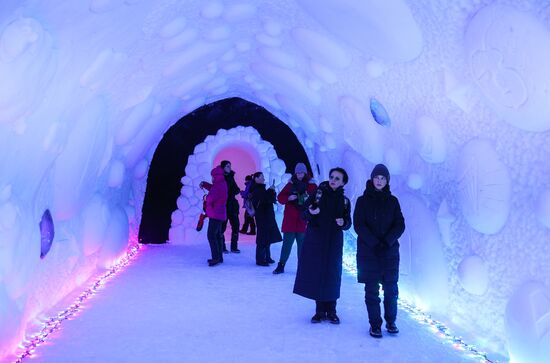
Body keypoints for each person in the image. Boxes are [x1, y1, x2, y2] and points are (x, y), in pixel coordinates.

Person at [293, 167, 351, 324]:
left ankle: (331, 310)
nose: (333, 180)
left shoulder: (345, 201)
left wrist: (344, 222)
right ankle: (319, 311)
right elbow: (303, 213)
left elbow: (348, 223)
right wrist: (311, 213)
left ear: (343, 182)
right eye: (332, 176)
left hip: (334, 242)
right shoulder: (318, 194)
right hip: (316, 240)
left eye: (337, 178)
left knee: (332, 274)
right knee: (317, 272)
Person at [353, 164, 405, 338]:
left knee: (391, 289)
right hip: (369, 252)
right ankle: (375, 324)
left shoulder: (393, 201)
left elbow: (400, 224)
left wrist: (387, 242)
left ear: (387, 181)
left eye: (383, 178)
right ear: (372, 179)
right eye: (377, 177)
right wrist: (375, 243)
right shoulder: (362, 200)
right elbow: (359, 225)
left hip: (389, 253)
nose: (380, 181)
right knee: (372, 290)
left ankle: (391, 321)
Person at [273, 163, 317, 274]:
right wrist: (288, 197)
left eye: (301, 172)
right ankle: (281, 265)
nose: (299, 175)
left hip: (303, 220)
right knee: (286, 245)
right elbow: (280, 198)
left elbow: (317, 199)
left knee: (302, 247)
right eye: (297, 173)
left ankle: (302, 268)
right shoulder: (290, 184)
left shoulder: (312, 186)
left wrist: (309, 200)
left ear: (305, 173)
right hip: (290, 221)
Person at [249, 172, 282, 266]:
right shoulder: (257, 189)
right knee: (262, 238)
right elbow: (265, 200)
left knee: (267, 237)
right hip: (262, 217)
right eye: (262, 177)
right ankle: (260, 259)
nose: (264, 179)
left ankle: (267, 257)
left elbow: (268, 199)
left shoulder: (260, 188)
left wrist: (271, 191)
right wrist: (271, 191)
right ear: (256, 179)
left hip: (266, 216)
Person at [203, 165, 228, 267]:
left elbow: (210, 198)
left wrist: (205, 197)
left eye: (213, 176)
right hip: (219, 213)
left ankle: (216, 258)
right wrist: (205, 185)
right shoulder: (221, 184)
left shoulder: (218, 185)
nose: (212, 178)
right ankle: (219, 257)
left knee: (211, 235)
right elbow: (213, 190)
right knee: (217, 236)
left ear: (216, 176)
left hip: (215, 214)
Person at [220, 160, 241, 253]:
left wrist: (231, 192)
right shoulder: (219, 177)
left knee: (236, 226)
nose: (229, 167)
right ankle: (222, 247)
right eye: (227, 166)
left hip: (232, 206)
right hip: (223, 206)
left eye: (230, 166)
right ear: (223, 167)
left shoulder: (231, 177)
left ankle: (234, 247)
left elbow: (236, 189)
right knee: (222, 228)